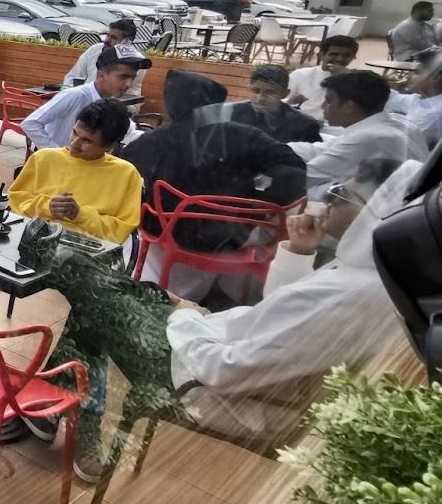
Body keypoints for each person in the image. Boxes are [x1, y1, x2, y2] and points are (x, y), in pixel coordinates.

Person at [165, 158, 416, 441]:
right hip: (254, 379)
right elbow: (284, 315)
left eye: (341, 194)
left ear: (374, 215)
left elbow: (225, 371)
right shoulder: (376, 276)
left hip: (226, 399)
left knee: (140, 319)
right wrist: (299, 251)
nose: (329, 200)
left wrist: (186, 317)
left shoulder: (344, 293)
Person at [0, 98, 142, 331]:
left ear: (109, 146)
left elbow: (119, 232)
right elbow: (15, 202)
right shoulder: (45, 159)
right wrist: (47, 207)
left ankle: (69, 356)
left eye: (87, 141)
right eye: (74, 133)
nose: (74, 144)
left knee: (98, 302)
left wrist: (80, 215)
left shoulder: (126, 175)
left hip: (83, 257)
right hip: (28, 247)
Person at [121, 71, 308, 301]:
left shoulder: (154, 140)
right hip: (229, 237)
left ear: (170, 102)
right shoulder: (243, 135)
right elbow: (294, 167)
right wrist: (266, 204)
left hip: (166, 232)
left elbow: (123, 173)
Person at [289, 69, 428, 194]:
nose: (323, 106)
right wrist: (280, 148)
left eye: (329, 101)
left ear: (348, 106)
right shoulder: (399, 122)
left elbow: (305, 178)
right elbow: (329, 148)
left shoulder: (369, 138)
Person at [18, 47, 146, 151]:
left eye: (132, 78)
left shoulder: (113, 106)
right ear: (101, 75)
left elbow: (130, 133)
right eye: (123, 77)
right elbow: (30, 124)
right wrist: (57, 155)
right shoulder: (75, 95)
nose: (129, 84)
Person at [229, 63, 322, 144]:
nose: (260, 98)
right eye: (256, 91)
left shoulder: (304, 125)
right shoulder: (236, 112)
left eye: (270, 92)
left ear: (285, 94)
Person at [387, 46, 442, 147]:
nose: (409, 76)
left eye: (417, 72)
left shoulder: (436, 115)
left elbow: (401, 143)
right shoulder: (429, 98)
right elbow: (394, 99)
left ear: (436, 78)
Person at [286, 35, 357, 122]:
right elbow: (281, 102)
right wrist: (290, 101)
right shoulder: (301, 74)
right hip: (301, 122)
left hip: (336, 127)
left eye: (346, 56)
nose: (339, 59)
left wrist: (347, 77)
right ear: (321, 55)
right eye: (334, 54)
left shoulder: (356, 80)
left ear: (353, 57)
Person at [62, 18, 139, 89]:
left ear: (127, 42)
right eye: (107, 35)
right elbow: (73, 77)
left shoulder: (136, 60)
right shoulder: (95, 49)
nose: (107, 40)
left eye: (114, 38)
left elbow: (124, 91)